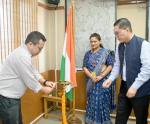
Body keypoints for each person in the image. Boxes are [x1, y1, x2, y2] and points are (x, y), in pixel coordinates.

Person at [0, 31, 56, 124]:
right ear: (30, 44)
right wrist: (44, 89)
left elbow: (33, 70)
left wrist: (45, 81)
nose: (40, 52)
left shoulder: (25, 54)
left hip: (12, 98)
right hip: (7, 99)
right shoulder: (22, 56)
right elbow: (29, 79)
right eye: (39, 48)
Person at [103, 18, 150, 124]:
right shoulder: (120, 46)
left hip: (141, 90)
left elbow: (147, 69)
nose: (116, 36)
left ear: (127, 29)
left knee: (141, 119)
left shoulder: (143, 44)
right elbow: (117, 65)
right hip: (124, 87)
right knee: (120, 118)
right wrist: (110, 79)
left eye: (117, 33)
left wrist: (134, 87)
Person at [83, 33, 115, 124]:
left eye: (95, 41)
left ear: (100, 41)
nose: (93, 43)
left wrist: (101, 76)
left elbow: (110, 65)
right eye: (91, 42)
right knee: (92, 101)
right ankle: (91, 120)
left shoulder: (106, 52)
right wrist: (91, 77)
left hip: (103, 81)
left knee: (102, 101)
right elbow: (84, 67)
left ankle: (103, 121)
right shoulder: (88, 54)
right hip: (91, 81)